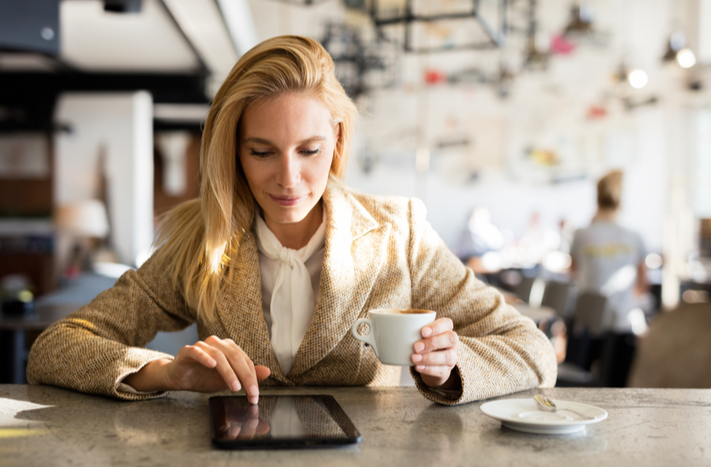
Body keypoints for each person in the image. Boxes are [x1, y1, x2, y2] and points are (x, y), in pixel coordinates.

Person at [27, 36, 556, 406]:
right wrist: (165, 373)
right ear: (234, 151)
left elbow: (533, 351)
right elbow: (56, 349)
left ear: (338, 142)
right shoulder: (201, 239)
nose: (289, 178)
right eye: (262, 151)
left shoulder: (401, 232)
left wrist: (453, 363)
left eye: (309, 150)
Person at [569, 170, 646, 386]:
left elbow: (573, 272)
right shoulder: (634, 236)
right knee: (617, 383)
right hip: (622, 321)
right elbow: (643, 283)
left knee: (578, 383)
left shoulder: (581, 234)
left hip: (585, 323)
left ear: (597, 197)